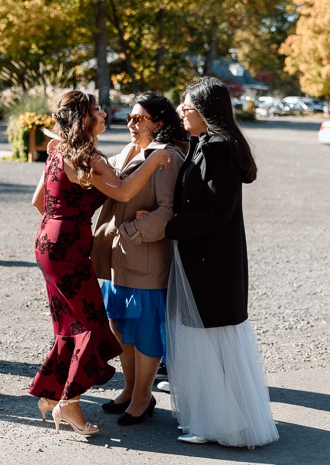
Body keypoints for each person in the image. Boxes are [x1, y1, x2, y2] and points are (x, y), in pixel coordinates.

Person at [30, 90, 171, 437]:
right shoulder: (89, 158)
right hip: (69, 248)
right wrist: (153, 160)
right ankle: (70, 402)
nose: (105, 115)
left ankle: (51, 393)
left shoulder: (58, 152)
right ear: (85, 120)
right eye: (98, 111)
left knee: (69, 325)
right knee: (92, 327)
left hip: (47, 241)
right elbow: (122, 192)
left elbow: (37, 201)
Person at [164, 77, 279, 447]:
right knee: (205, 343)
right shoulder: (204, 144)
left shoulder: (218, 148)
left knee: (211, 342)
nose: (181, 111)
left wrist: (169, 226)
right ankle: (212, 419)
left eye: (187, 106)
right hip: (203, 257)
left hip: (211, 261)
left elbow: (219, 212)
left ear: (205, 110)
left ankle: (223, 425)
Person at [91, 92, 185, 425]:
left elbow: (169, 209)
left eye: (139, 118)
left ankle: (144, 397)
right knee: (121, 328)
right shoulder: (131, 151)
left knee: (144, 331)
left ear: (159, 123)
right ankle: (130, 389)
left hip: (145, 258)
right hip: (118, 260)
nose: (131, 123)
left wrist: (135, 230)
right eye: (129, 118)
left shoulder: (167, 157)